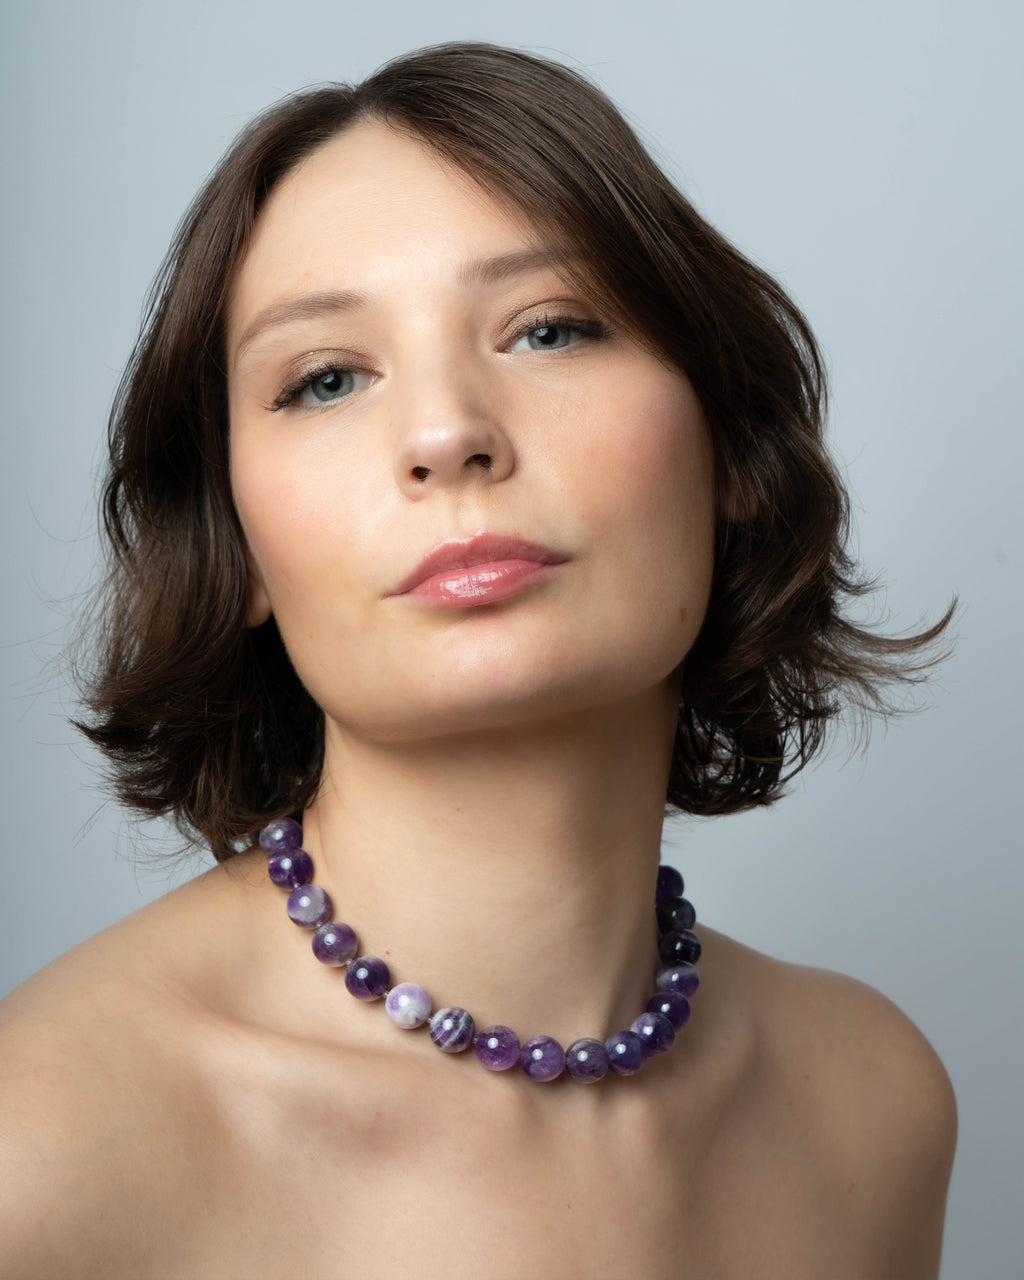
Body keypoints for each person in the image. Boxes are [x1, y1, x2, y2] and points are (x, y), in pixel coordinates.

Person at [0, 41, 956, 1278]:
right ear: (232, 547)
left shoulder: (871, 1104)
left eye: (549, 329)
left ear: (726, 443)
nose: (447, 431)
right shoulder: (43, 1149)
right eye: (325, 378)